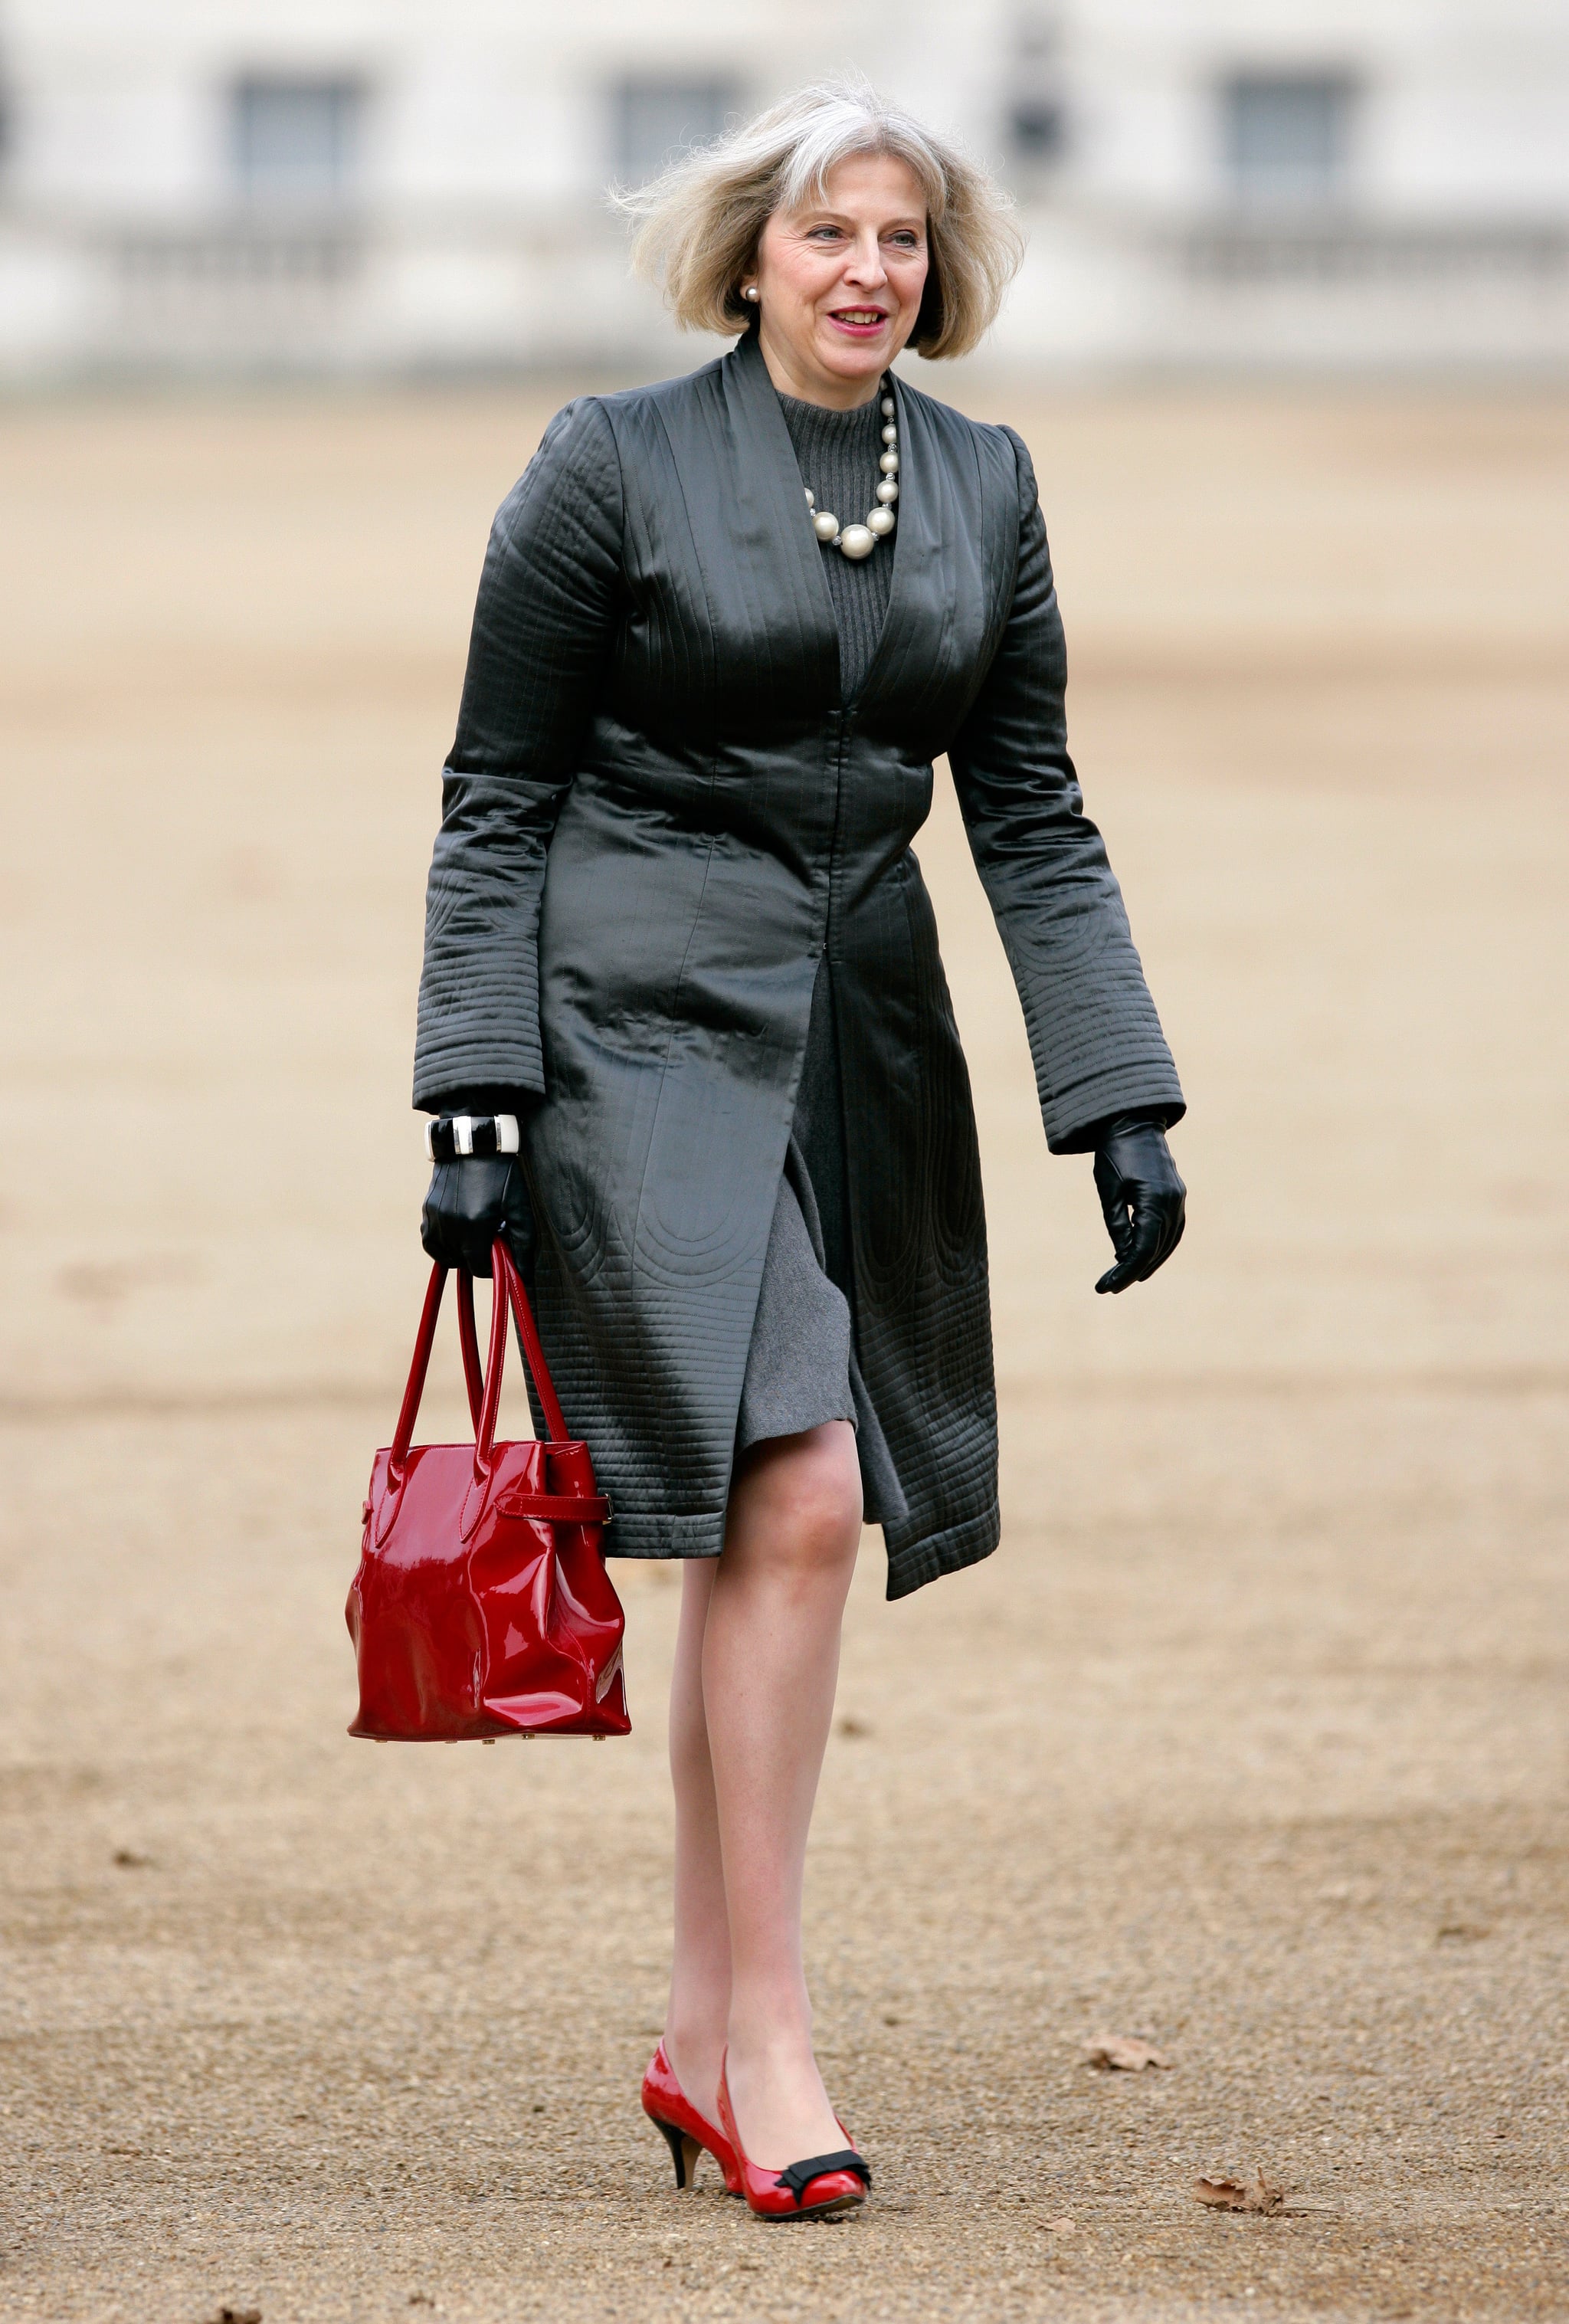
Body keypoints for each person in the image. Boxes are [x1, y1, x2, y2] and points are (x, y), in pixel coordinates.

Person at [414, 77, 1185, 2221]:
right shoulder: (610, 464)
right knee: (810, 1486)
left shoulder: (982, 483)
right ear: (751, 249)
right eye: (832, 232)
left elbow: (1028, 803)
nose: (870, 271)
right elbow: (495, 789)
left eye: (905, 242)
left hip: (862, 1032)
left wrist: (1117, 1090)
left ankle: (695, 2030)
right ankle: (768, 2033)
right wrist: (472, 1090)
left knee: (779, 1524)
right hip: (635, 1014)